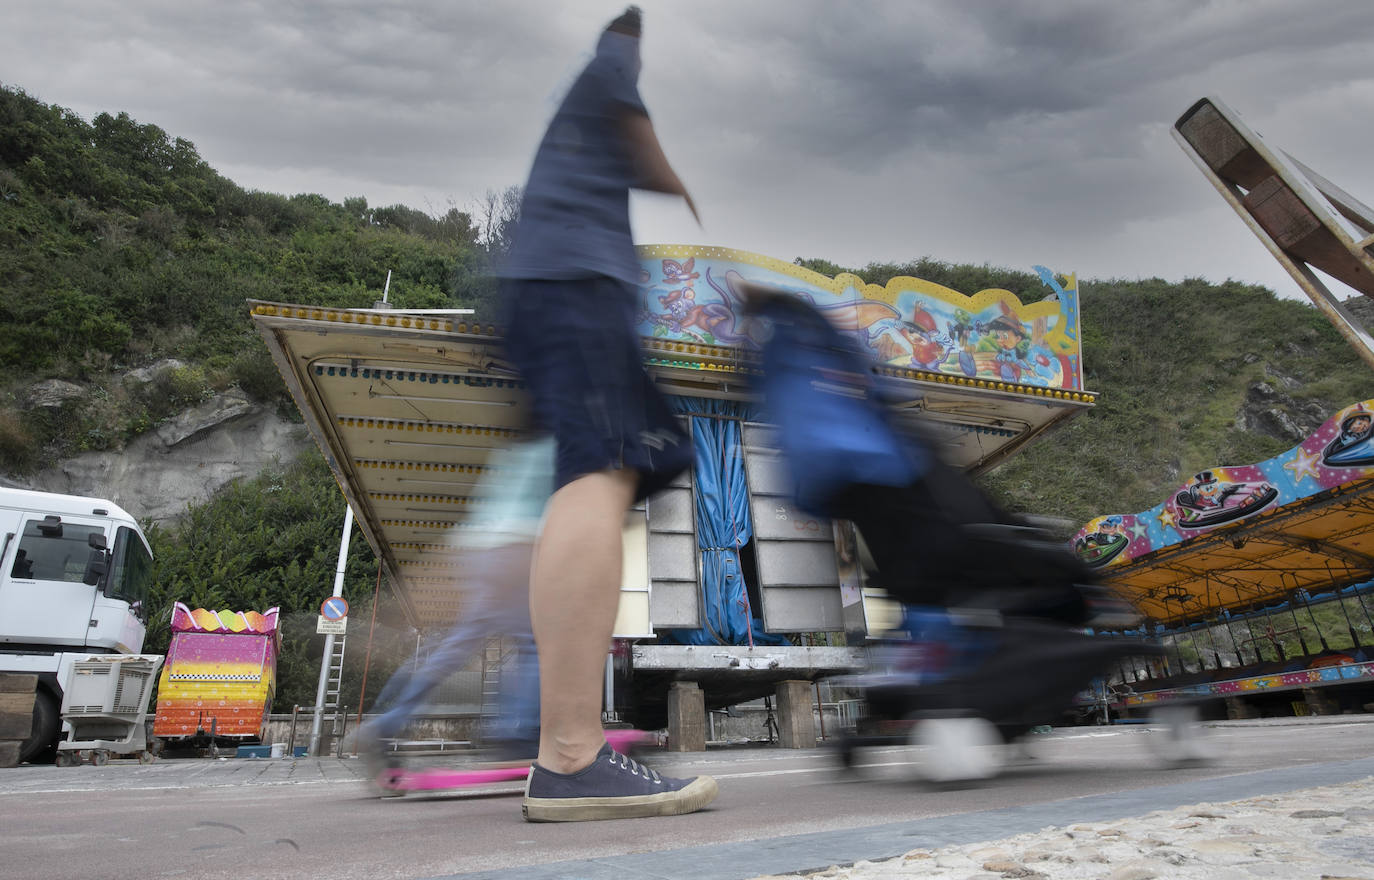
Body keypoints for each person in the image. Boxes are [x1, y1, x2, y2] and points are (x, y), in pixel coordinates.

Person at [498, 7, 717, 822]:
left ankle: (566, 749)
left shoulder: (575, 109)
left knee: (612, 466)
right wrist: (675, 180)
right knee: (605, 466)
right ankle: (568, 756)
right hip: (578, 282)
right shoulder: (611, 63)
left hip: (554, 286)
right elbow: (639, 138)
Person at [354, 437, 554, 774]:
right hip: (518, 548)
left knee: (457, 646)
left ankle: (386, 724)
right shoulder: (560, 444)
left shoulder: (513, 452)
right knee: (533, 644)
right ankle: (517, 735)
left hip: (480, 551)